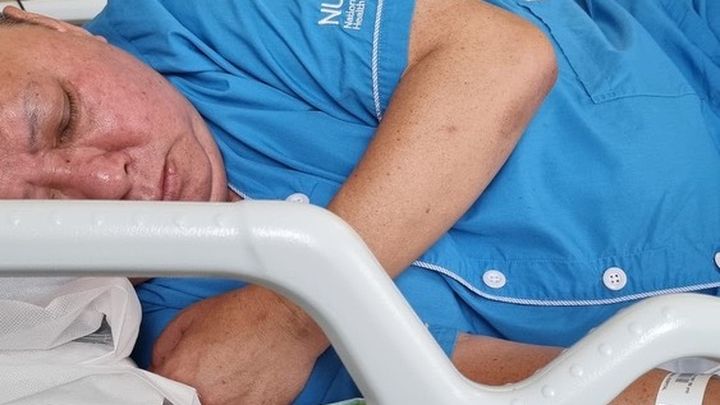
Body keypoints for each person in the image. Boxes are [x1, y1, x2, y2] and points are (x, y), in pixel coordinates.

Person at [0, 0, 718, 404]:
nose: (106, 184)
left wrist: (292, 313)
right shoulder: (184, 329)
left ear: (47, 24)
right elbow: (470, 372)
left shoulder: (197, 18)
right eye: (44, 202)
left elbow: (498, 57)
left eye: (63, 118)